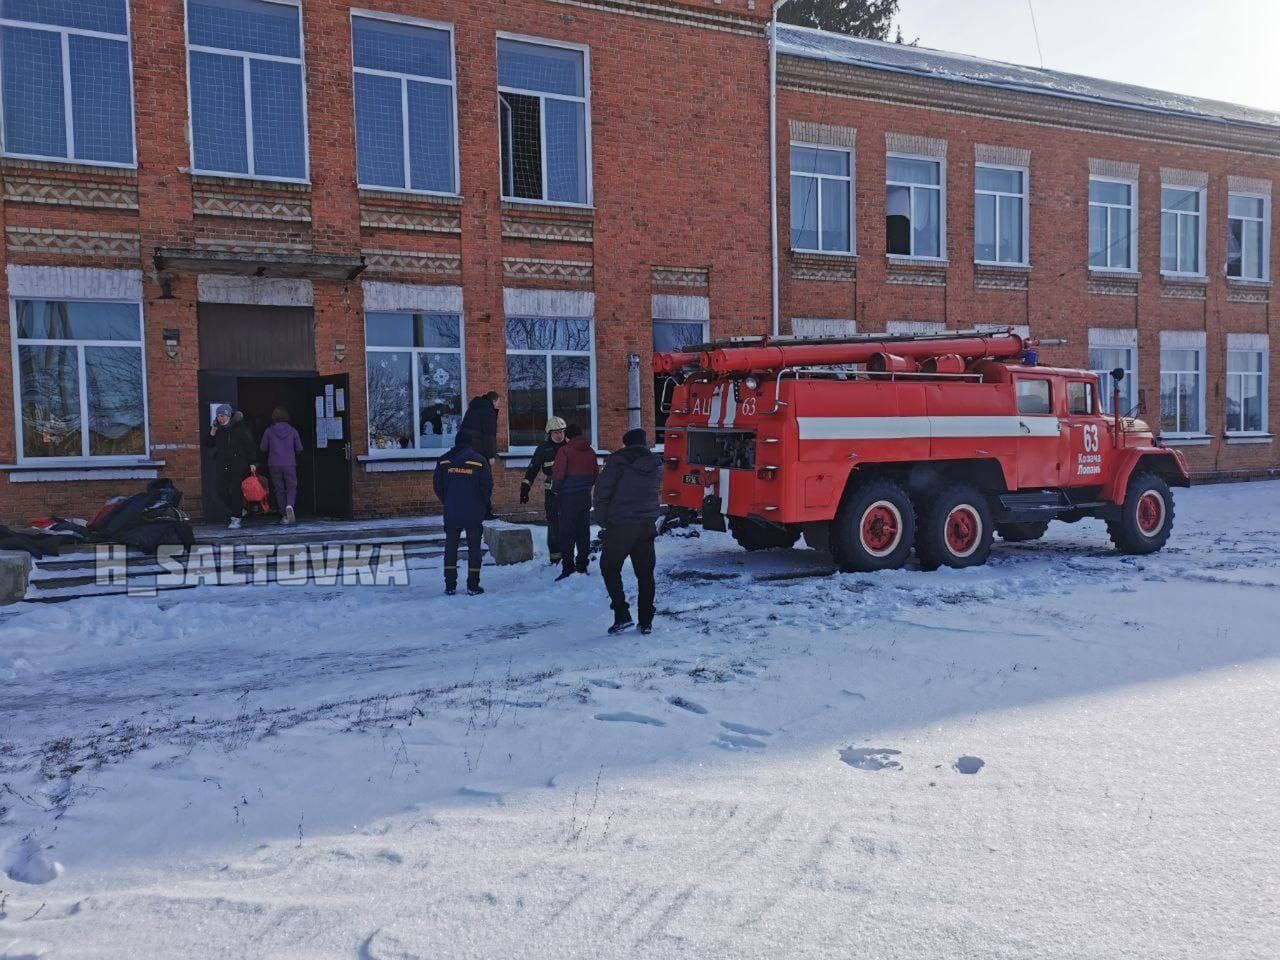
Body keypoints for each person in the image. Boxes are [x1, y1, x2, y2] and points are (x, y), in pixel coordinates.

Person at [594, 428, 663, 634]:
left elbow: (602, 492)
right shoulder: (656, 464)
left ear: (626, 444)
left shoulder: (618, 462)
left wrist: (603, 521)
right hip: (646, 524)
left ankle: (622, 614)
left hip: (621, 524)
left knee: (609, 566)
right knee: (645, 573)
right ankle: (646, 620)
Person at [432, 428, 493, 596]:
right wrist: (481, 505)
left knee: (451, 547)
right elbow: (487, 486)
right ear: (470, 443)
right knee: (474, 549)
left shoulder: (444, 461)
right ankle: (473, 585)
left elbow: (438, 486)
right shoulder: (479, 461)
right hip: (474, 512)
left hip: (452, 511)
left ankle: (450, 585)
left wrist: (448, 501)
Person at [550, 423, 597, 581]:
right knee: (583, 532)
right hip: (584, 497)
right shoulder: (590, 451)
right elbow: (595, 474)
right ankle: (582, 566)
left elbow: (558, 473)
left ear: (568, 437)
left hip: (568, 498)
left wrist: (556, 489)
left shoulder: (565, 450)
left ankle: (568, 568)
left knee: (567, 533)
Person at [520, 416, 567, 565]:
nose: (559, 435)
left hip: (570, 491)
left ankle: (569, 556)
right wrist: (525, 487)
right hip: (552, 493)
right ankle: (555, 559)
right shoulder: (543, 449)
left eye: (561, 432)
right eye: (555, 432)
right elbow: (532, 468)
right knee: (554, 524)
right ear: (549, 433)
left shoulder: (571, 446)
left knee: (569, 523)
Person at [206, 404, 256, 528]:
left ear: (228, 415)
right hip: (222, 464)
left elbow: (249, 445)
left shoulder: (240, 428)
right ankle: (239, 509)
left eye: (222, 416)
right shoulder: (218, 429)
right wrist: (212, 430)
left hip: (238, 464)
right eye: (218, 416)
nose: (220, 418)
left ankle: (236, 518)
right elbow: (208, 443)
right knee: (220, 490)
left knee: (235, 490)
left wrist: (252, 462)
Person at [260, 406, 303, 524]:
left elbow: (263, 448)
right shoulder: (293, 431)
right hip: (289, 463)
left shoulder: (269, 431)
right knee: (291, 486)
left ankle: (284, 515)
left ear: (273, 417)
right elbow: (299, 448)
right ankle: (290, 505)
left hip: (274, 464)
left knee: (279, 489)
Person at [459, 391, 500, 463]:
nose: (498, 405)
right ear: (493, 401)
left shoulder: (473, 408)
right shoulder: (488, 411)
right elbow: (489, 434)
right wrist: (491, 455)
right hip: (479, 450)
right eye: (498, 402)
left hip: (464, 448)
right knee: (483, 472)